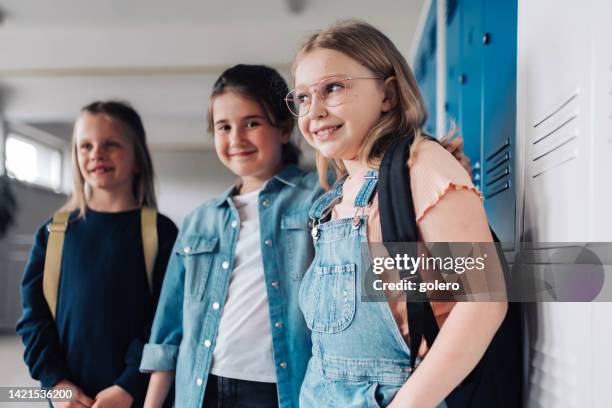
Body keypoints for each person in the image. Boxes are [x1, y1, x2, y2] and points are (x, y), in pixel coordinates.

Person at [289, 20, 507, 407]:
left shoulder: (420, 165)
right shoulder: (338, 194)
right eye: (303, 98)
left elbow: (483, 302)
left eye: (333, 88)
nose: (315, 111)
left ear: (387, 94)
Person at [140, 65, 322, 408]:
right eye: (224, 127)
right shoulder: (200, 221)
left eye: (252, 123)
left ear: (284, 128)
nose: (236, 138)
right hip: (203, 388)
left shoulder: (319, 195)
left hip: (281, 391)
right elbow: (169, 328)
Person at [16, 101, 178, 407]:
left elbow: (165, 322)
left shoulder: (160, 231)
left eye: (111, 144)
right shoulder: (54, 232)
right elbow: (34, 320)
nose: (96, 154)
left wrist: (128, 386)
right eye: (85, 146)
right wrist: (57, 383)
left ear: (138, 159)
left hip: (137, 397)